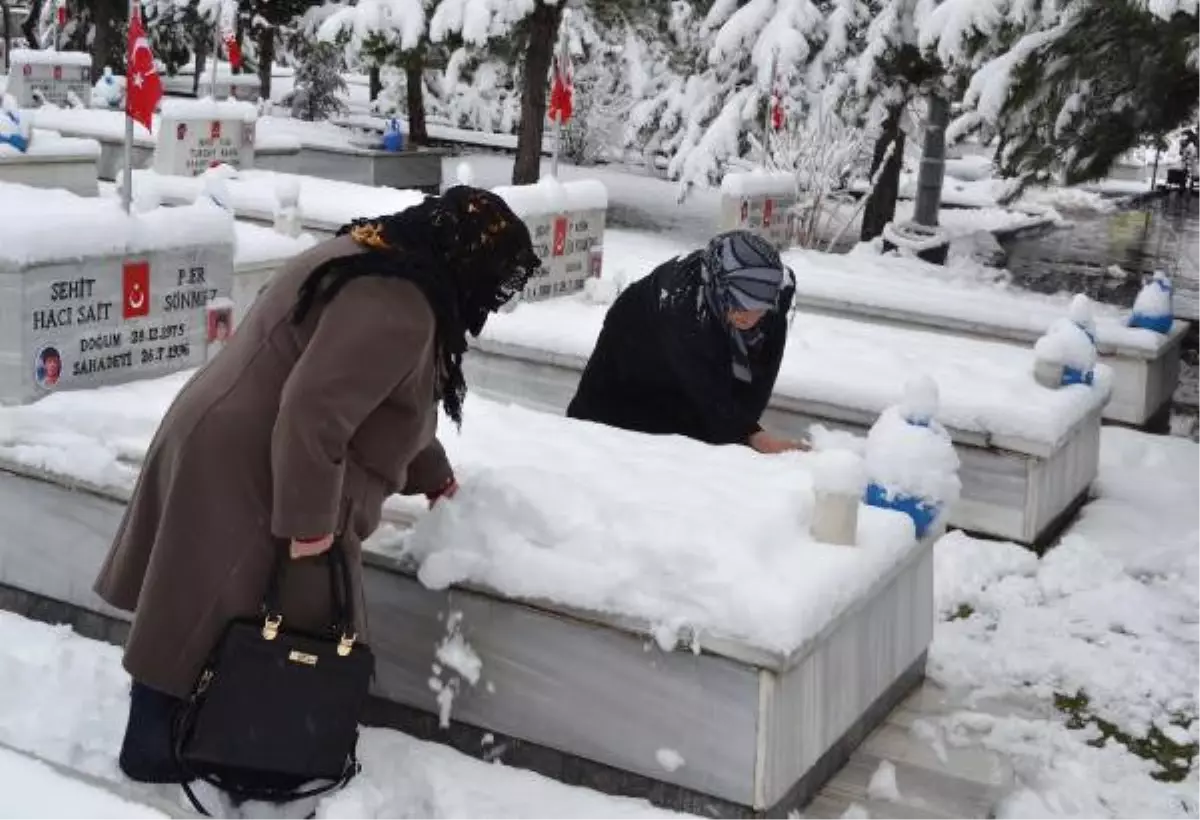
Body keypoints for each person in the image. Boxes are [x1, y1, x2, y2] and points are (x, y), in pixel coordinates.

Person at [92, 186, 540, 798]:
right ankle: (176, 747)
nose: (492, 299)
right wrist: (308, 524)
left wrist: (432, 473)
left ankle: (198, 733)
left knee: (203, 598)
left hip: (235, 439)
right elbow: (314, 412)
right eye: (495, 280)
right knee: (245, 608)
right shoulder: (400, 306)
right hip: (255, 463)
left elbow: (385, 401)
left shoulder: (377, 255)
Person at [567, 230, 804, 454]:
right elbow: (707, 391)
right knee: (611, 442)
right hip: (630, 361)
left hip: (687, 360)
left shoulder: (774, 296)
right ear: (719, 288)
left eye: (757, 307)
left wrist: (748, 429)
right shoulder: (683, 308)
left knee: (715, 436)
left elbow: (761, 375)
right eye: (738, 302)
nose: (746, 315)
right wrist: (751, 435)